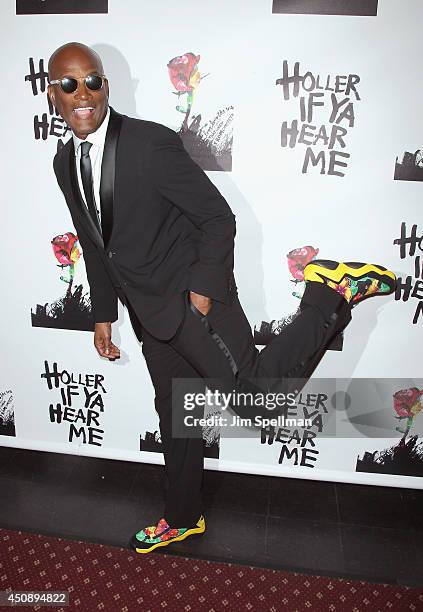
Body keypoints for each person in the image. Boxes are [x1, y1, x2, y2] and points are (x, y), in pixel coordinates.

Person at [48, 42, 396, 554]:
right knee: (176, 413)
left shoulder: (149, 143)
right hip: (151, 317)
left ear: (106, 86)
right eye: (69, 84)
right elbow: (96, 241)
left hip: (192, 303)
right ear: (52, 92)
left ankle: (329, 292)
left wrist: (203, 295)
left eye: (92, 81)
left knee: (260, 400)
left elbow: (217, 219)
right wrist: (104, 315)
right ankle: (183, 517)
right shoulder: (64, 162)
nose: (83, 94)